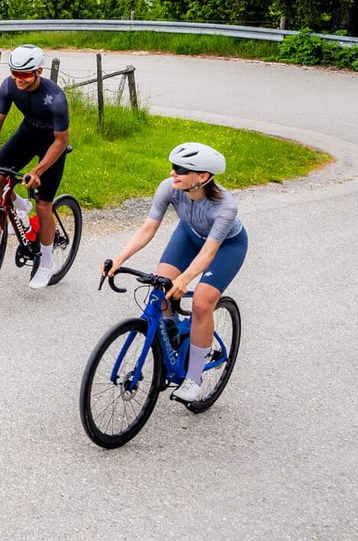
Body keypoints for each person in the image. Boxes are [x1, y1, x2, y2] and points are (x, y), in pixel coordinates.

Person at [101, 141, 248, 403]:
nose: (172, 173)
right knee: (161, 286)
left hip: (226, 247)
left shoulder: (225, 207)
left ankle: (194, 377)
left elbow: (208, 253)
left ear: (202, 177)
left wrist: (186, 279)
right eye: (172, 167)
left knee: (202, 304)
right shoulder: (170, 187)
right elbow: (148, 228)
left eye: (180, 169)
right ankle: (172, 337)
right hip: (190, 234)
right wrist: (120, 259)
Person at [0, 43, 70, 289]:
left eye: (24, 74)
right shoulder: (9, 86)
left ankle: (46, 262)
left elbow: (61, 140)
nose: (18, 79)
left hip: (52, 146)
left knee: (44, 206)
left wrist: (37, 171)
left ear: (38, 72)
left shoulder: (55, 99)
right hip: (27, 135)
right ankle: (21, 206)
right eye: (14, 73)